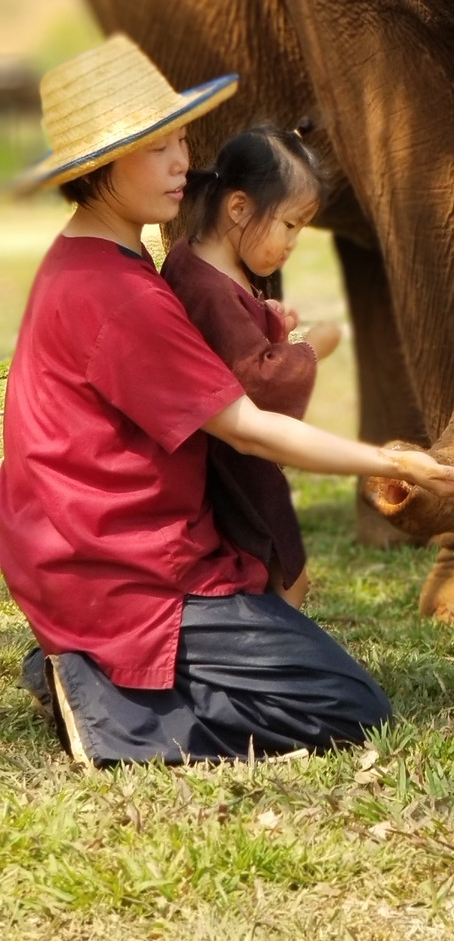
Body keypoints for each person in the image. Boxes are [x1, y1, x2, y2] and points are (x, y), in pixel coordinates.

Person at [0, 35, 454, 768]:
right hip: (124, 572)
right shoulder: (117, 291)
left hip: (96, 553)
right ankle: (109, 712)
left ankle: (94, 673)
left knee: (307, 658)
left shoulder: (100, 255)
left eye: (180, 141)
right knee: (348, 706)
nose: (183, 164)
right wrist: (394, 463)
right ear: (100, 168)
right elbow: (250, 430)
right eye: (157, 149)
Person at [160, 124, 338, 612]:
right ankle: (283, 659)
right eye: (289, 225)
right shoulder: (211, 290)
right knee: (285, 568)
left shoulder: (192, 259)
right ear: (238, 208)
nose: (292, 243)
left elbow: (235, 338)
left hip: (220, 452)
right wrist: (312, 349)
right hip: (234, 460)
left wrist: (270, 324)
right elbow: (255, 378)